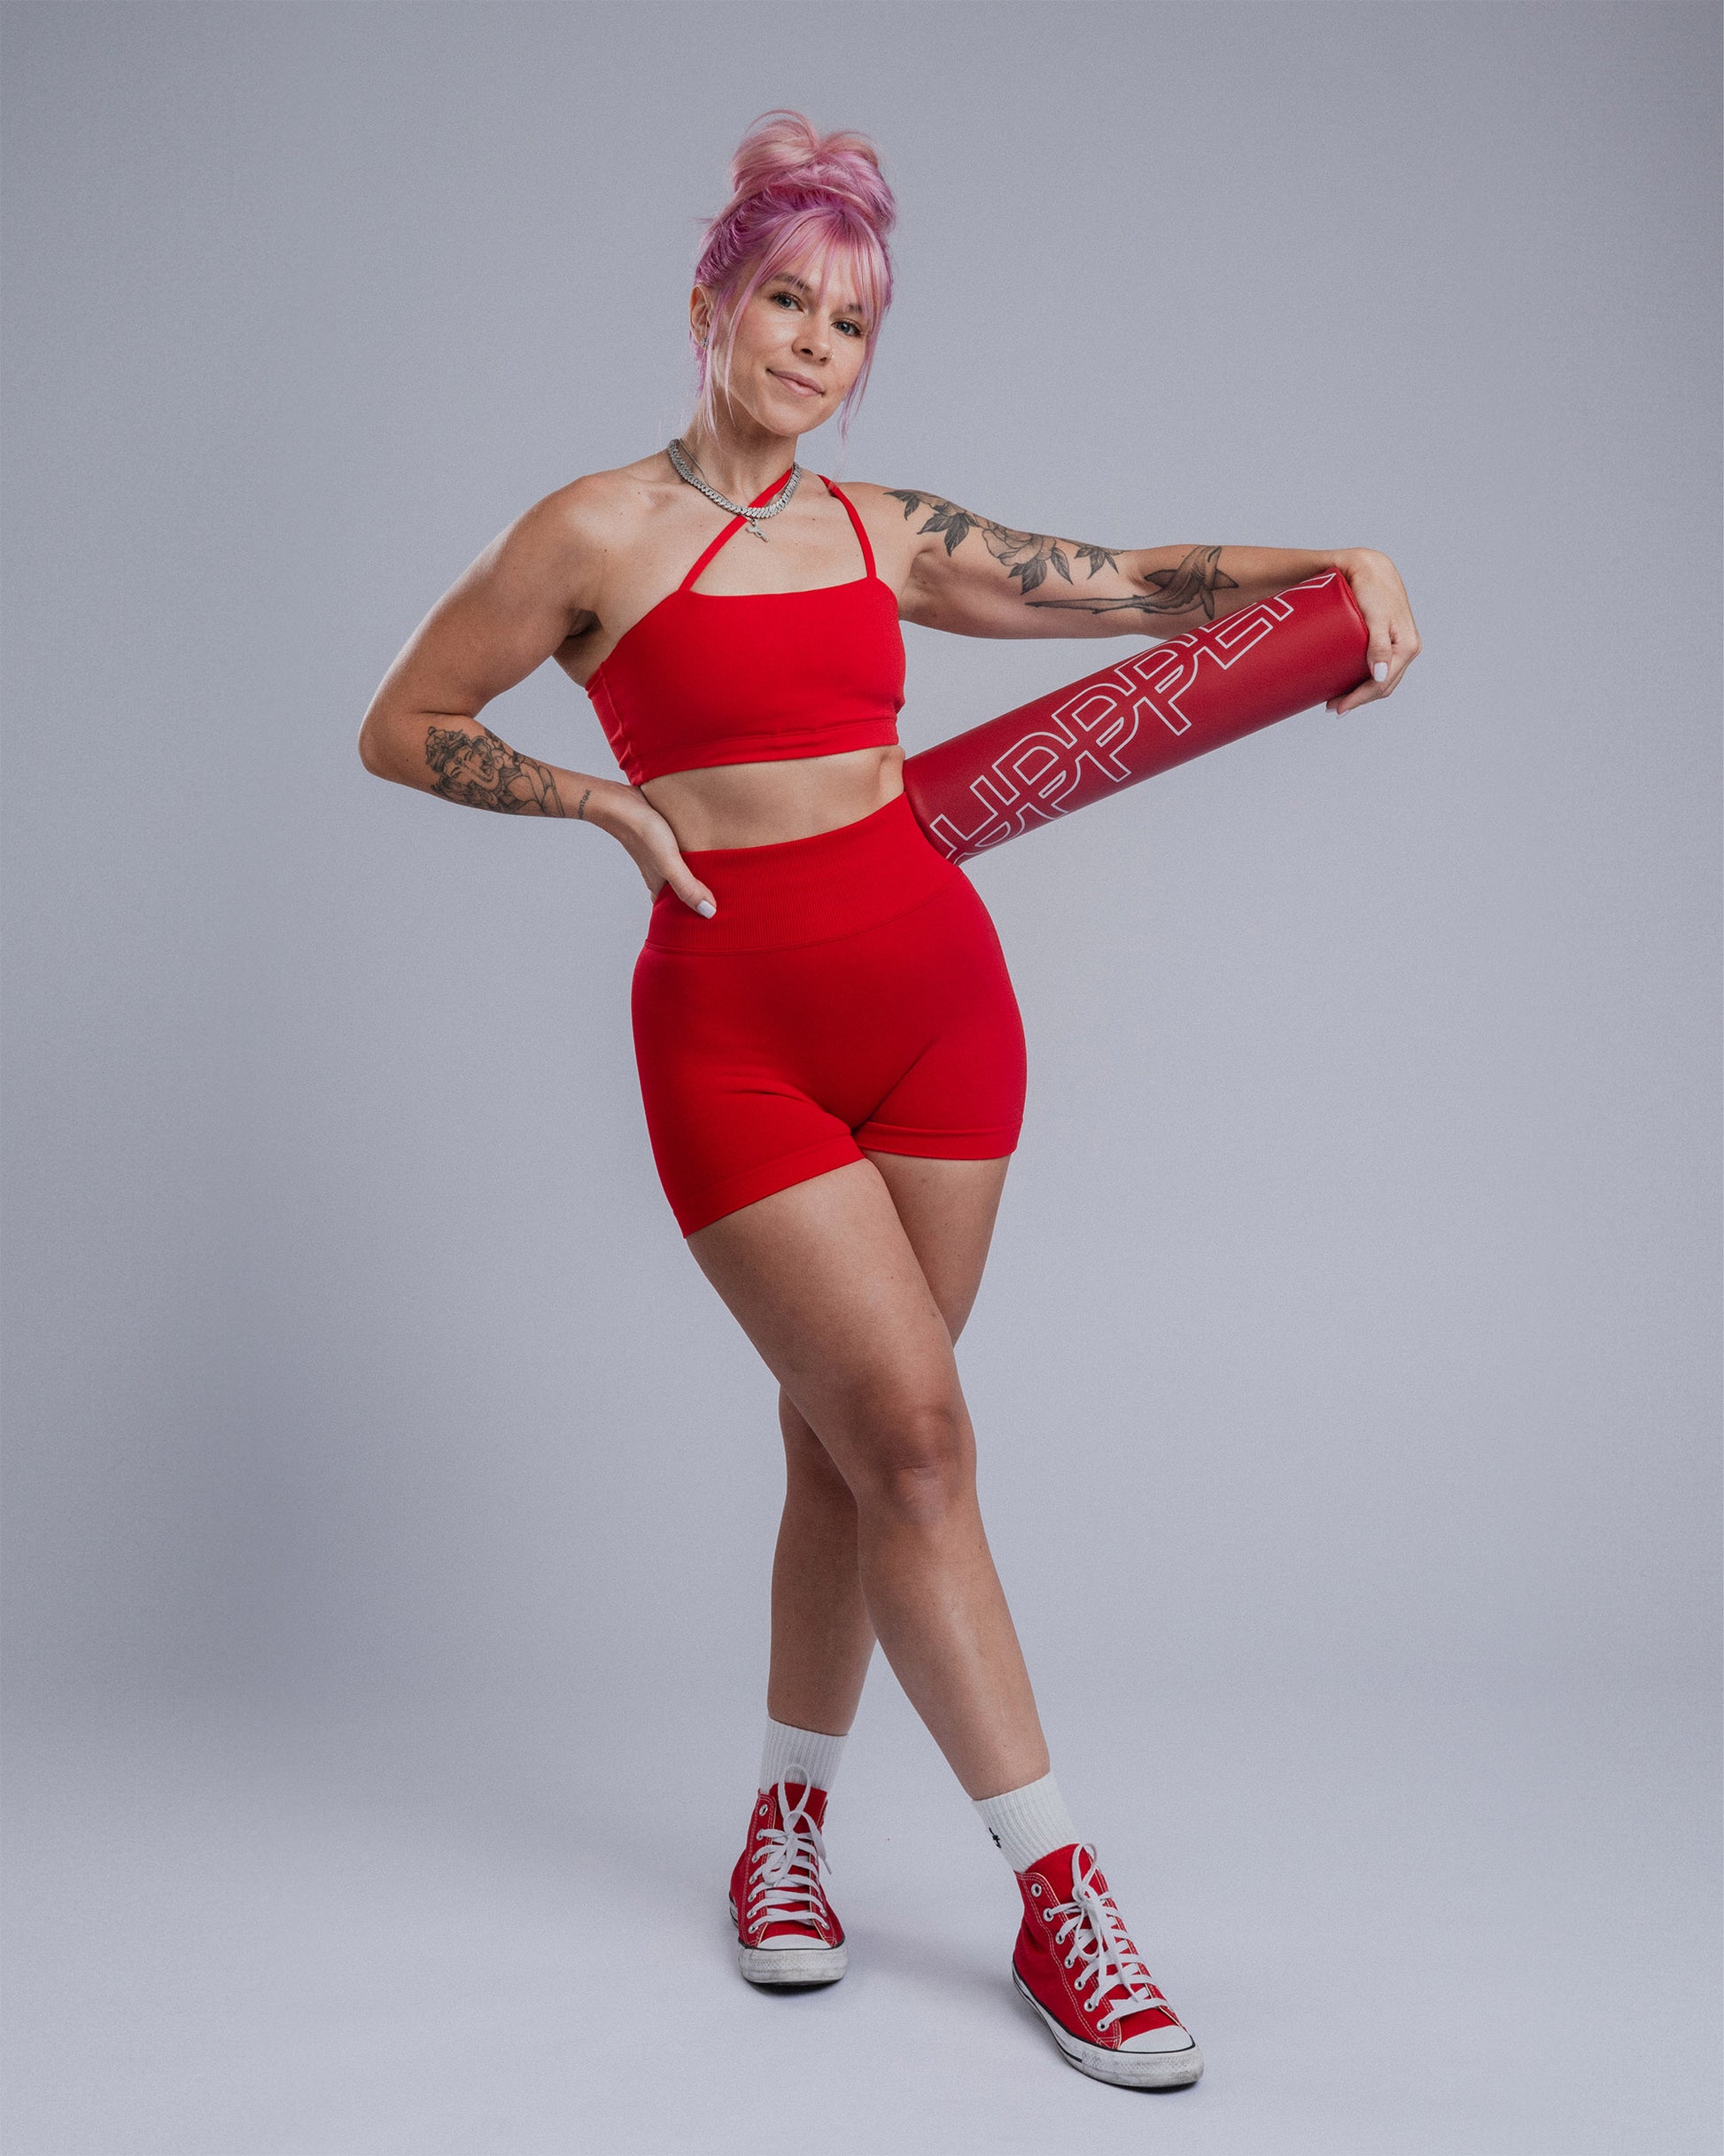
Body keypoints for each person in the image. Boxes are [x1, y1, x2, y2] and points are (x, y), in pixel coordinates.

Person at [357, 108, 1420, 2091]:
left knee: (848, 1444)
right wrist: (594, 801)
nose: (813, 347)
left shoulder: (879, 530)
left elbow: (1127, 583)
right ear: (710, 303)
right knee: (917, 1439)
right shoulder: (588, 534)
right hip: (731, 1036)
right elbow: (400, 721)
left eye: (849, 323)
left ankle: (784, 1823)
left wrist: (1333, 570)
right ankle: (1058, 1890)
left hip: (942, 1016)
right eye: (786, 300)